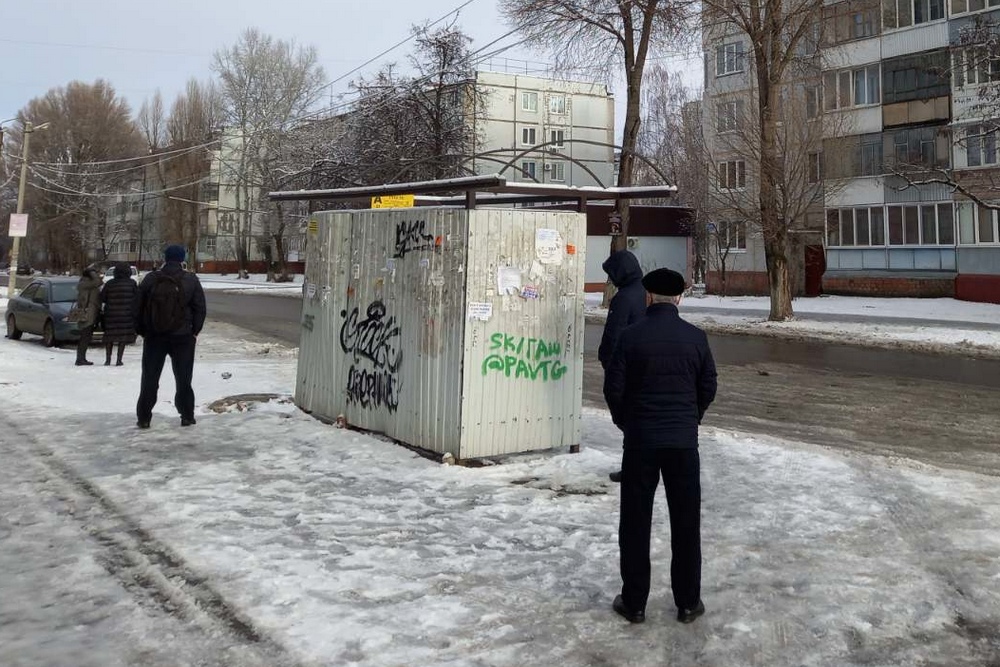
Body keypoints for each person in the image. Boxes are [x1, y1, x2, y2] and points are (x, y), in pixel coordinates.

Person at [603, 267, 717, 625]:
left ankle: (634, 602)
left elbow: (614, 388)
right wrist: (690, 419)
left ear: (649, 296)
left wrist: (628, 422)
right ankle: (688, 602)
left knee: (635, 522)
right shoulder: (696, 338)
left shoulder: (630, 337)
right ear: (679, 299)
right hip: (683, 444)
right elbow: (708, 385)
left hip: (640, 443)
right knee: (686, 522)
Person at [135, 245, 207, 429]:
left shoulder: (151, 279)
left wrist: (143, 331)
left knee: (150, 378)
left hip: (154, 337)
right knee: (184, 378)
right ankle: (187, 415)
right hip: (183, 337)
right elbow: (200, 308)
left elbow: (137, 308)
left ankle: (144, 417)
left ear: (165, 258)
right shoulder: (190, 279)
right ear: (182, 258)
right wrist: (194, 331)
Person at [597, 250, 647, 483]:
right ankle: (642, 465)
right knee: (639, 419)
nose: (611, 279)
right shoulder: (646, 292)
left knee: (626, 418)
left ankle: (633, 467)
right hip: (644, 365)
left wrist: (607, 361)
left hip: (625, 368)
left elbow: (613, 336)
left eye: (612, 274)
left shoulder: (624, 298)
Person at [100, 263, 139, 366]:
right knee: (122, 337)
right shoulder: (132, 283)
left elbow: (103, 297)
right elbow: (137, 298)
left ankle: (108, 360)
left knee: (110, 336)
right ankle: (119, 360)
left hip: (111, 314)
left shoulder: (110, 283)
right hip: (126, 314)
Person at [73, 267, 102, 366]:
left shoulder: (88, 284)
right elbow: (98, 282)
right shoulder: (85, 283)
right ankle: (80, 359)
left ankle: (81, 358)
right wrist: (93, 273)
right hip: (87, 314)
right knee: (85, 336)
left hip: (90, 313)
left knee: (86, 336)